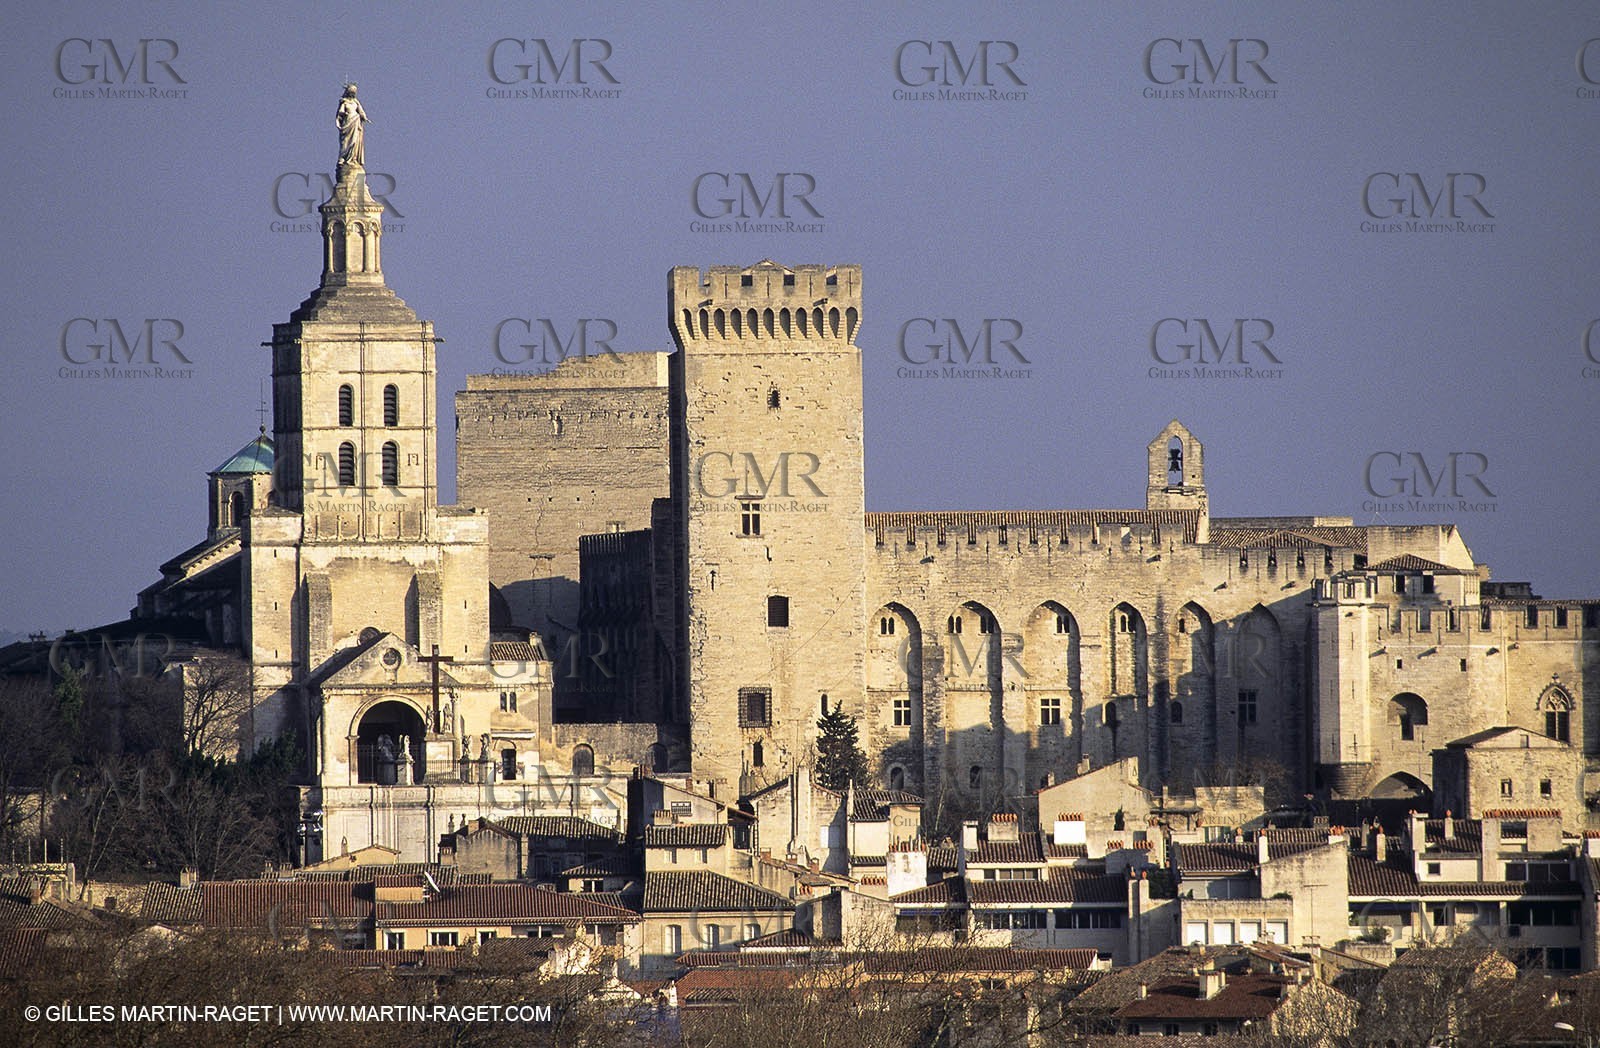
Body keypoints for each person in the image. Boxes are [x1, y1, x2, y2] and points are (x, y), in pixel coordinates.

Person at [336, 83, 369, 169]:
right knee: (346, 141)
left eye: (354, 92)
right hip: (348, 122)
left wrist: (364, 118)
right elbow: (340, 112)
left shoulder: (356, 102)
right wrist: (344, 113)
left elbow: (361, 111)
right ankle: (343, 158)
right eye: (352, 92)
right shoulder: (344, 102)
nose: (353, 93)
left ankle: (353, 158)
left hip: (356, 122)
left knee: (355, 141)